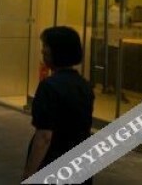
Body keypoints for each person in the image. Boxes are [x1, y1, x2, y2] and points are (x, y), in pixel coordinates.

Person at [23, 27, 94, 183]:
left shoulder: (49, 87)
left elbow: (44, 136)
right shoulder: (84, 85)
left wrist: (29, 174)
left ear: (57, 51)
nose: (42, 51)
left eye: (46, 46)